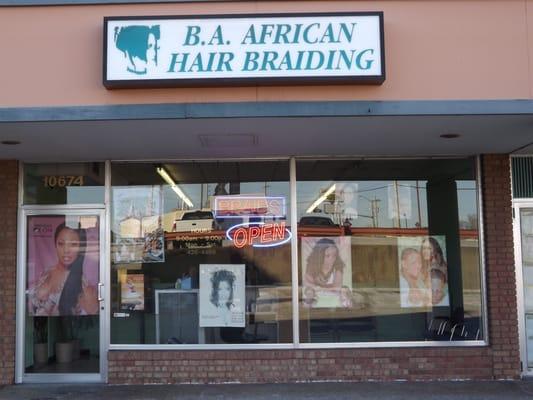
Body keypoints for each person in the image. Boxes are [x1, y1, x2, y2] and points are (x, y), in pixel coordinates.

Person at [28, 223, 98, 316]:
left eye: (73, 244)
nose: (66, 250)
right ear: (55, 245)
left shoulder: (82, 282)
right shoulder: (47, 272)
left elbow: (90, 314)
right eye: (61, 243)